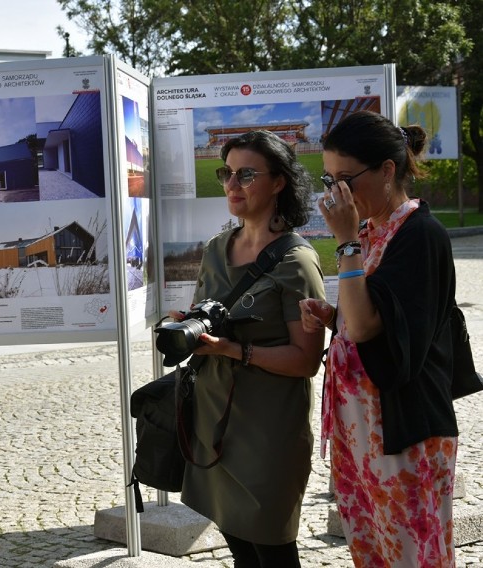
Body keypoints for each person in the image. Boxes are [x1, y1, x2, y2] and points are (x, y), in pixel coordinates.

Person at [299, 110, 458, 566]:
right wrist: (334, 318)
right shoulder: (371, 232)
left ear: (387, 170)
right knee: (372, 553)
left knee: (414, 556)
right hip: (361, 429)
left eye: (346, 179)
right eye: (329, 181)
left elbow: (371, 328)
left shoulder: (420, 234)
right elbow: (372, 317)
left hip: (403, 430)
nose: (337, 194)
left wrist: (346, 242)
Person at [177, 130, 326, 567]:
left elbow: (305, 361)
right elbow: (202, 314)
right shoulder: (215, 250)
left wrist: (232, 350)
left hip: (269, 432)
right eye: (227, 173)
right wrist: (183, 325)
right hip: (214, 420)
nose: (231, 185)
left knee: (274, 551)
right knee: (241, 548)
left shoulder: (297, 262)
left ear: (278, 182)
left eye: (246, 174)